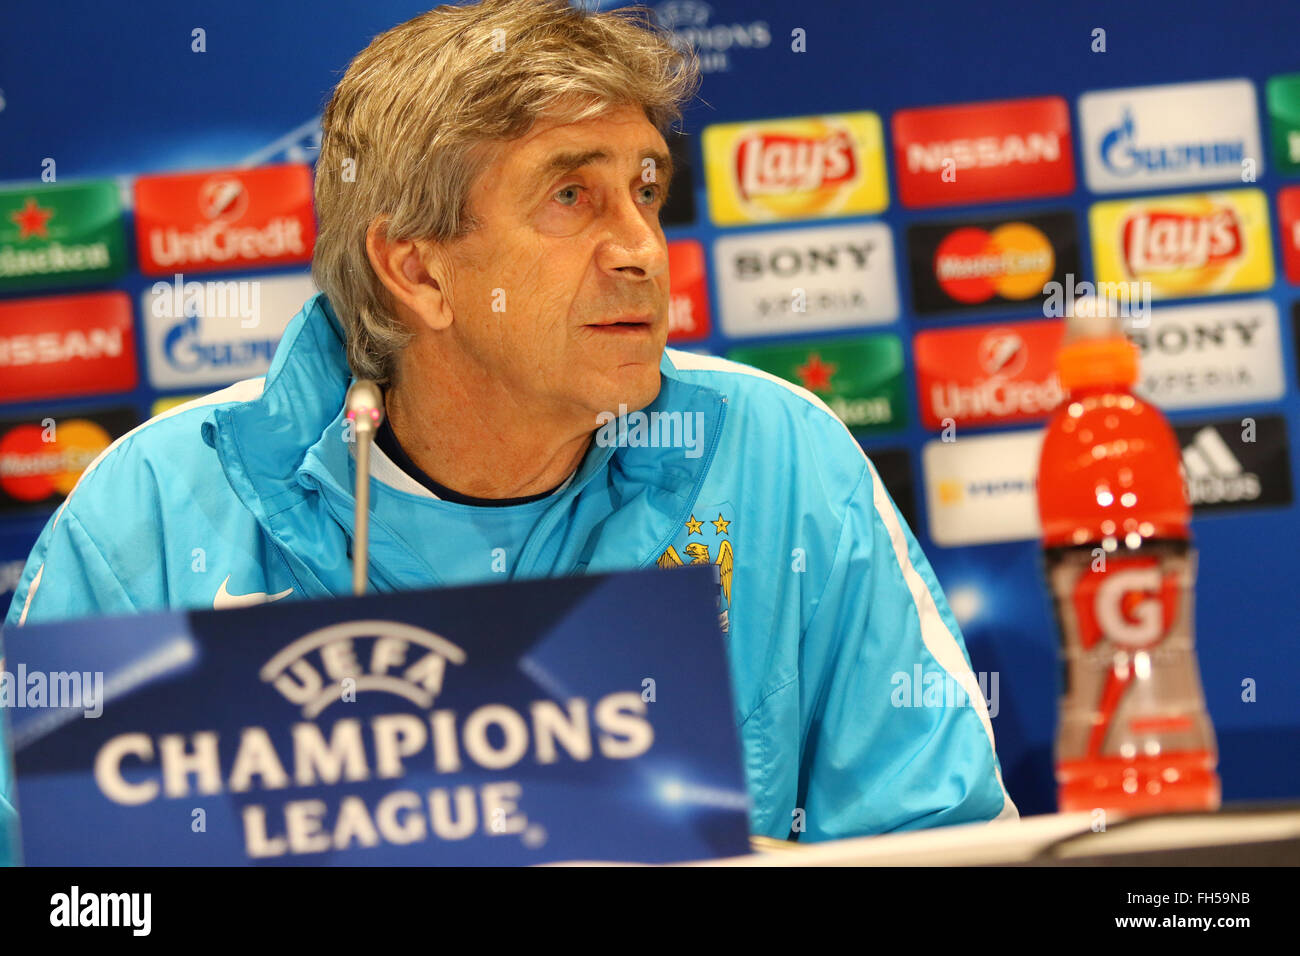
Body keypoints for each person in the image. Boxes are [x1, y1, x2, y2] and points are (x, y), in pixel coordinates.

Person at [2, 0, 1016, 848]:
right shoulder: (151, 511)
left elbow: (943, 844)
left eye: (646, 189)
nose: (641, 248)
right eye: (572, 195)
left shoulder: (777, 458)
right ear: (417, 269)